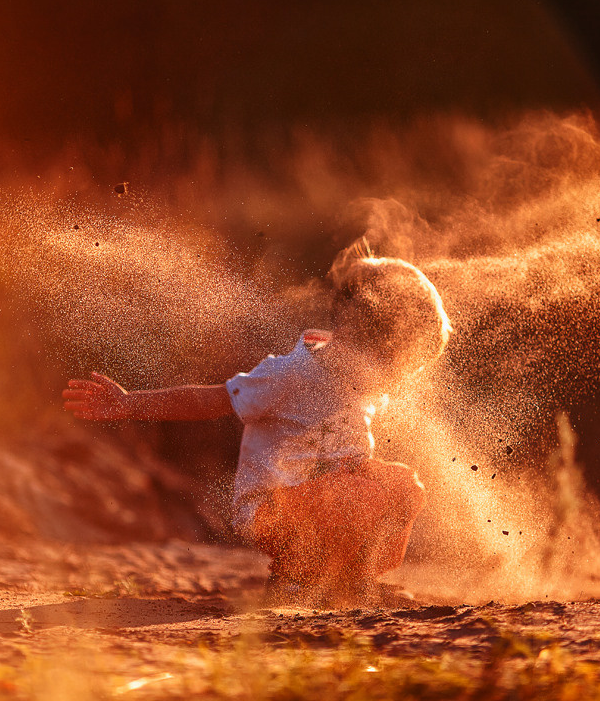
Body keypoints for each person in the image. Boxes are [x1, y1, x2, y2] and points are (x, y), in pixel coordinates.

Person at [61, 251, 452, 607]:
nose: (394, 380)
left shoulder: (356, 382)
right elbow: (209, 400)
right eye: (392, 364)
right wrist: (128, 403)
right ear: (353, 333)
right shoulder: (291, 374)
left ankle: (349, 580)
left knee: (402, 486)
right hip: (271, 510)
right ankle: (295, 579)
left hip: (326, 502)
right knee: (356, 492)